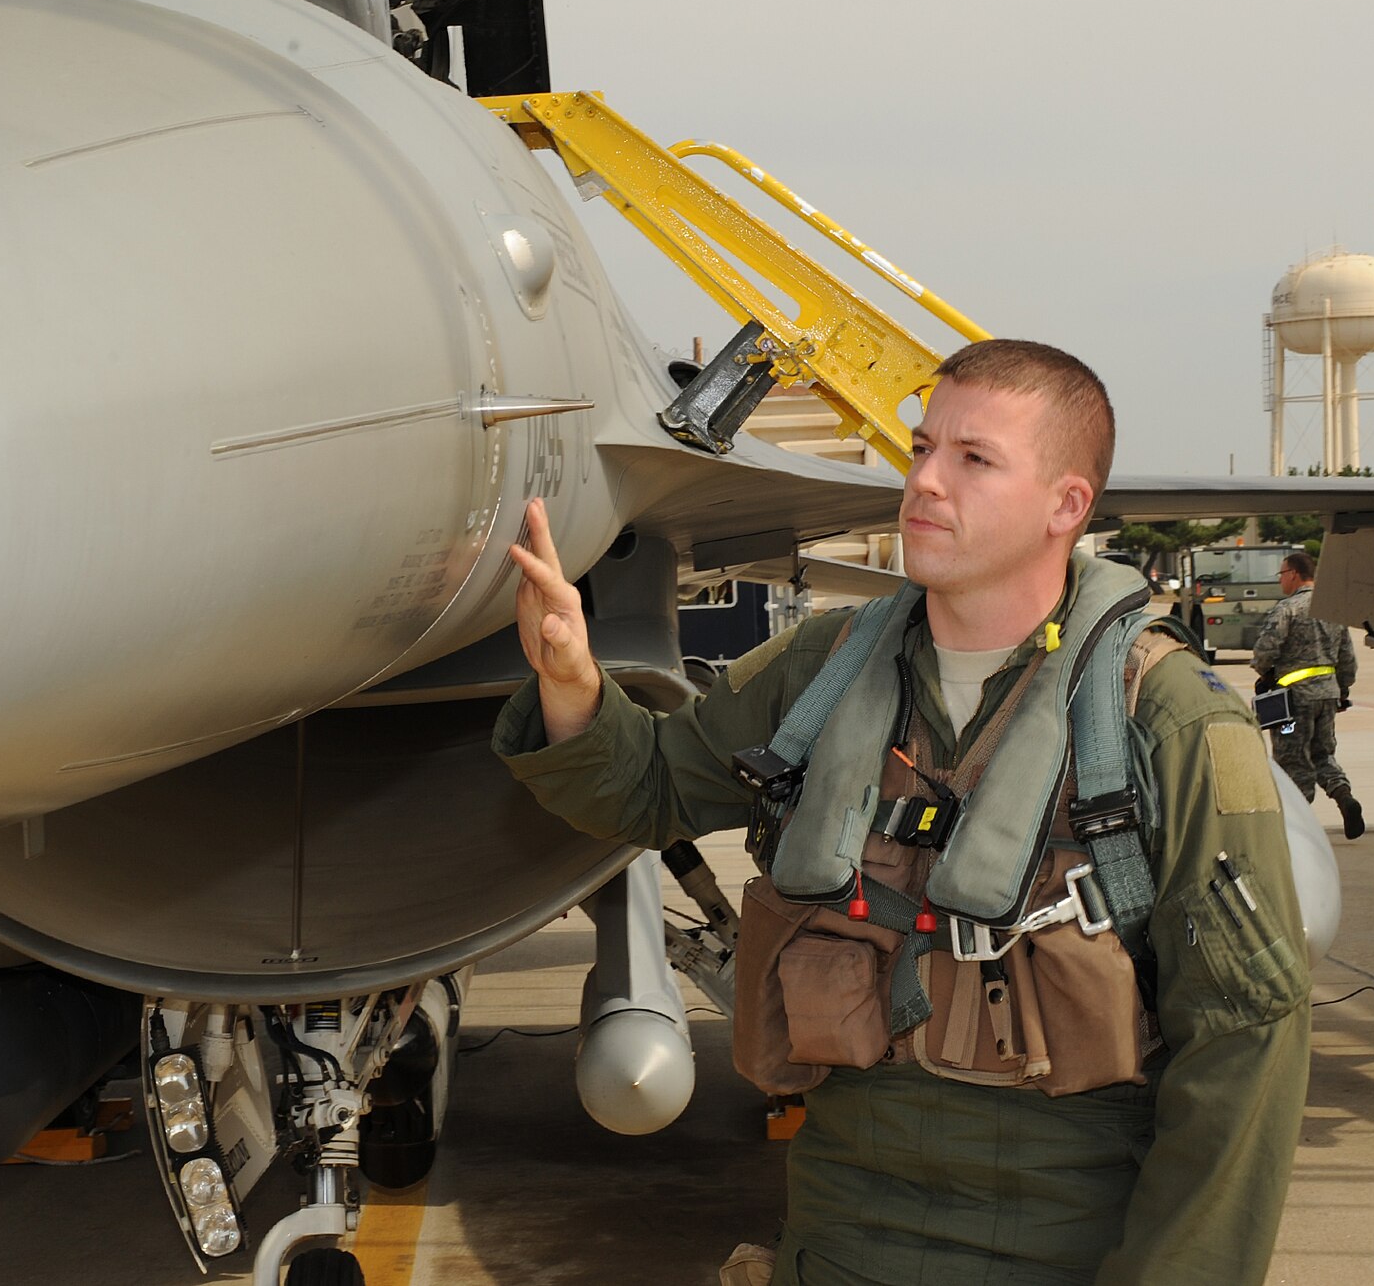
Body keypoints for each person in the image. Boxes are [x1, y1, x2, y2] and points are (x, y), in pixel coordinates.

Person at [493, 340, 1310, 1286]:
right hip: (838, 1242)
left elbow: (1244, 1042)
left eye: (974, 458)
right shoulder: (823, 671)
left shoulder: (1165, 719)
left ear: (1066, 505)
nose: (924, 480)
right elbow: (648, 790)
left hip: (1066, 1249)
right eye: (922, 448)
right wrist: (572, 680)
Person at [1253, 551, 1363, 838]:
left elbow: (1264, 651)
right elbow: (1348, 659)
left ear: (1293, 574)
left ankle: (1298, 830)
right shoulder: (1333, 610)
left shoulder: (1287, 609)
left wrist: (1265, 674)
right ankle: (1344, 797)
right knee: (1323, 755)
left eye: (1281, 574)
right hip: (1327, 695)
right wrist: (1342, 690)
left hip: (1294, 701)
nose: (1280, 580)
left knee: (1293, 762)